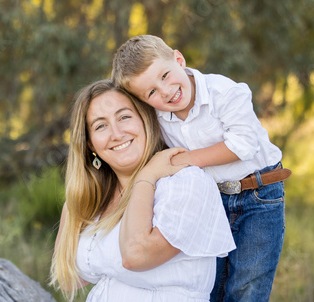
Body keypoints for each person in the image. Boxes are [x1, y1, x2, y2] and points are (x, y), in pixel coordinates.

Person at [111, 34, 292, 301]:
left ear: (178, 59)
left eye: (165, 75)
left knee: (247, 284)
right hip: (211, 200)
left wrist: (187, 159)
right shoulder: (158, 117)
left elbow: (243, 145)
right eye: (151, 92)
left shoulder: (224, 92)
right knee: (212, 282)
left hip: (258, 195)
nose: (165, 91)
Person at [50, 79, 235, 302]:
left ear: (146, 120)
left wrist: (147, 176)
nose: (116, 133)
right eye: (100, 126)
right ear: (91, 145)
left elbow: (136, 256)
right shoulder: (99, 200)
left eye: (124, 117)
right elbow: (69, 279)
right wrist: (74, 205)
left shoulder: (186, 182)